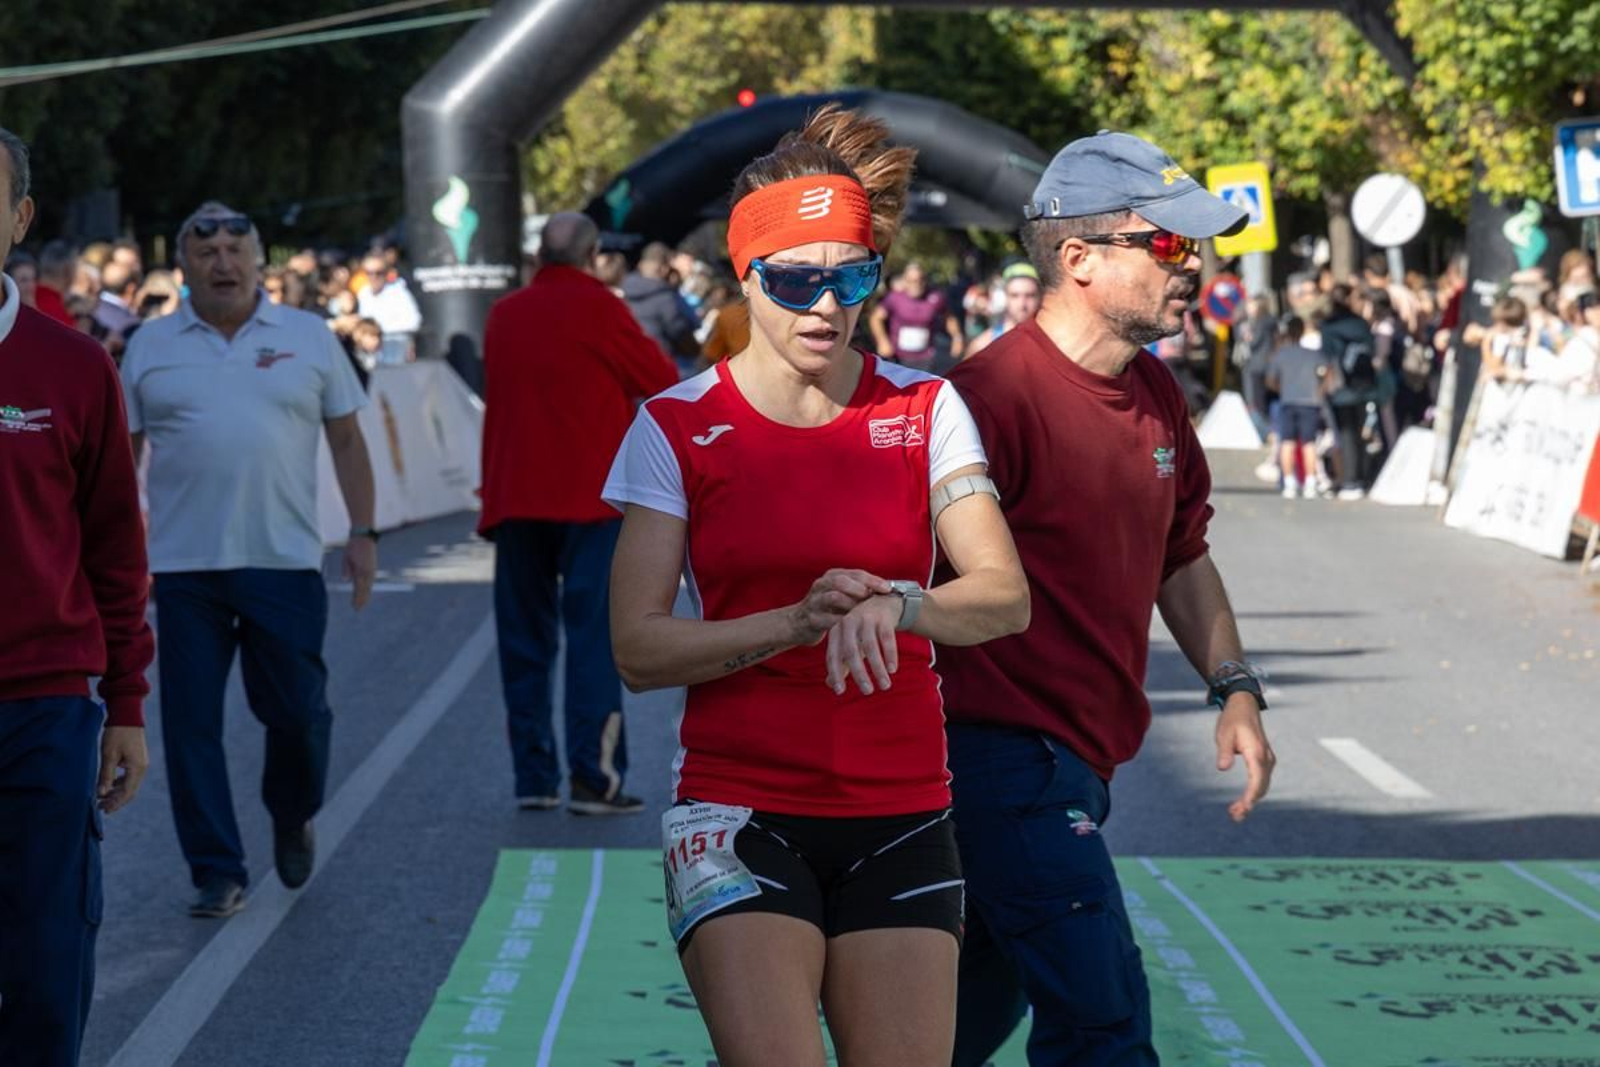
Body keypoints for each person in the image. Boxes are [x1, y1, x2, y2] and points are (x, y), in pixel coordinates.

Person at [605, 104, 1030, 1067]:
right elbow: (637, 647)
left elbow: (1004, 594)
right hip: (738, 811)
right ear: (745, 274)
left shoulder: (926, 407)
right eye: (797, 279)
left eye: (853, 276)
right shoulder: (675, 424)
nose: (827, 306)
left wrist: (902, 603)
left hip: (903, 808)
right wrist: (795, 622)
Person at [933, 130, 1277, 1067]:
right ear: (1078, 258)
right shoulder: (985, 400)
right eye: (1167, 243)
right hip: (998, 761)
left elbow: (1182, 556)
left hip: (1081, 759)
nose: (1192, 264)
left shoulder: (1155, 387)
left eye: (1194, 245)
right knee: (1105, 1024)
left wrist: (1234, 685)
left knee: (955, 1025)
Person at [123, 201, 378, 918]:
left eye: (237, 251)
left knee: (298, 715)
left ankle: (292, 813)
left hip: (283, 560)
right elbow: (119, 458)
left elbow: (347, 440)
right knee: (190, 727)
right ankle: (216, 869)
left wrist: (363, 533)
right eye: (207, 253)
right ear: (183, 267)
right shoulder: (149, 344)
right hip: (184, 568)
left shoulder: (309, 335)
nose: (223, 263)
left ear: (260, 263)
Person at [0, 126, 153, 1067]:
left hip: (42, 712)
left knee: (46, 959)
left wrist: (125, 703)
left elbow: (114, 549)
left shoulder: (75, 366)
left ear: (18, 218)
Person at [478, 212, 678, 814]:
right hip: (589, 499)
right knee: (592, 639)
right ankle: (593, 777)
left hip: (515, 495)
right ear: (593, 257)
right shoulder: (601, 309)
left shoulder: (504, 313)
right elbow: (660, 378)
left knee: (524, 640)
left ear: (540, 254)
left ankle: (533, 776)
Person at [1319, 283, 1378, 499]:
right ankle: (1362, 476)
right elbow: (1372, 349)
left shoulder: (1328, 326)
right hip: (1362, 384)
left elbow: (1326, 358)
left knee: (1345, 434)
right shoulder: (1360, 324)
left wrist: (1323, 386)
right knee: (1360, 430)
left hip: (1340, 386)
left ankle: (1349, 480)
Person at [1265, 315, 1332, 498]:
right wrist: (1321, 390)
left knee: (1287, 442)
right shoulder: (1312, 354)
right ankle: (1310, 482)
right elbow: (1328, 371)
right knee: (1309, 443)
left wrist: (1282, 389)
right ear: (1302, 331)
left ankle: (1289, 483)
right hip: (1310, 402)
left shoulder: (1281, 354)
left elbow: (1270, 381)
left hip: (1288, 401)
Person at [623, 241, 701, 374]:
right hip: (664, 365)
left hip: (633, 364)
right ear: (664, 268)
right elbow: (681, 333)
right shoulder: (665, 297)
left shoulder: (624, 291)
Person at [870, 260, 964, 368]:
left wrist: (957, 338)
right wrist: (882, 341)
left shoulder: (936, 297)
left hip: (926, 357)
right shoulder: (894, 297)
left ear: (925, 280)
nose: (916, 284)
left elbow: (949, 317)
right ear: (905, 281)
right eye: (911, 281)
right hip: (897, 357)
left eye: (920, 279)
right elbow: (876, 318)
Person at [355, 250, 421, 363]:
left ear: (386, 273)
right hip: (371, 361)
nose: (373, 277)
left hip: (395, 359)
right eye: (369, 273)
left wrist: (376, 332)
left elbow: (414, 322)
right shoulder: (363, 294)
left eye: (378, 273)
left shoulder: (399, 292)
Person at [965, 262, 1042, 358]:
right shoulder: (983, 346)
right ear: (1005, 297)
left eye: (1030, 295)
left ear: (1040, 298)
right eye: (1014, 295)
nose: (1022, 304)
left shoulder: (1054, 342)